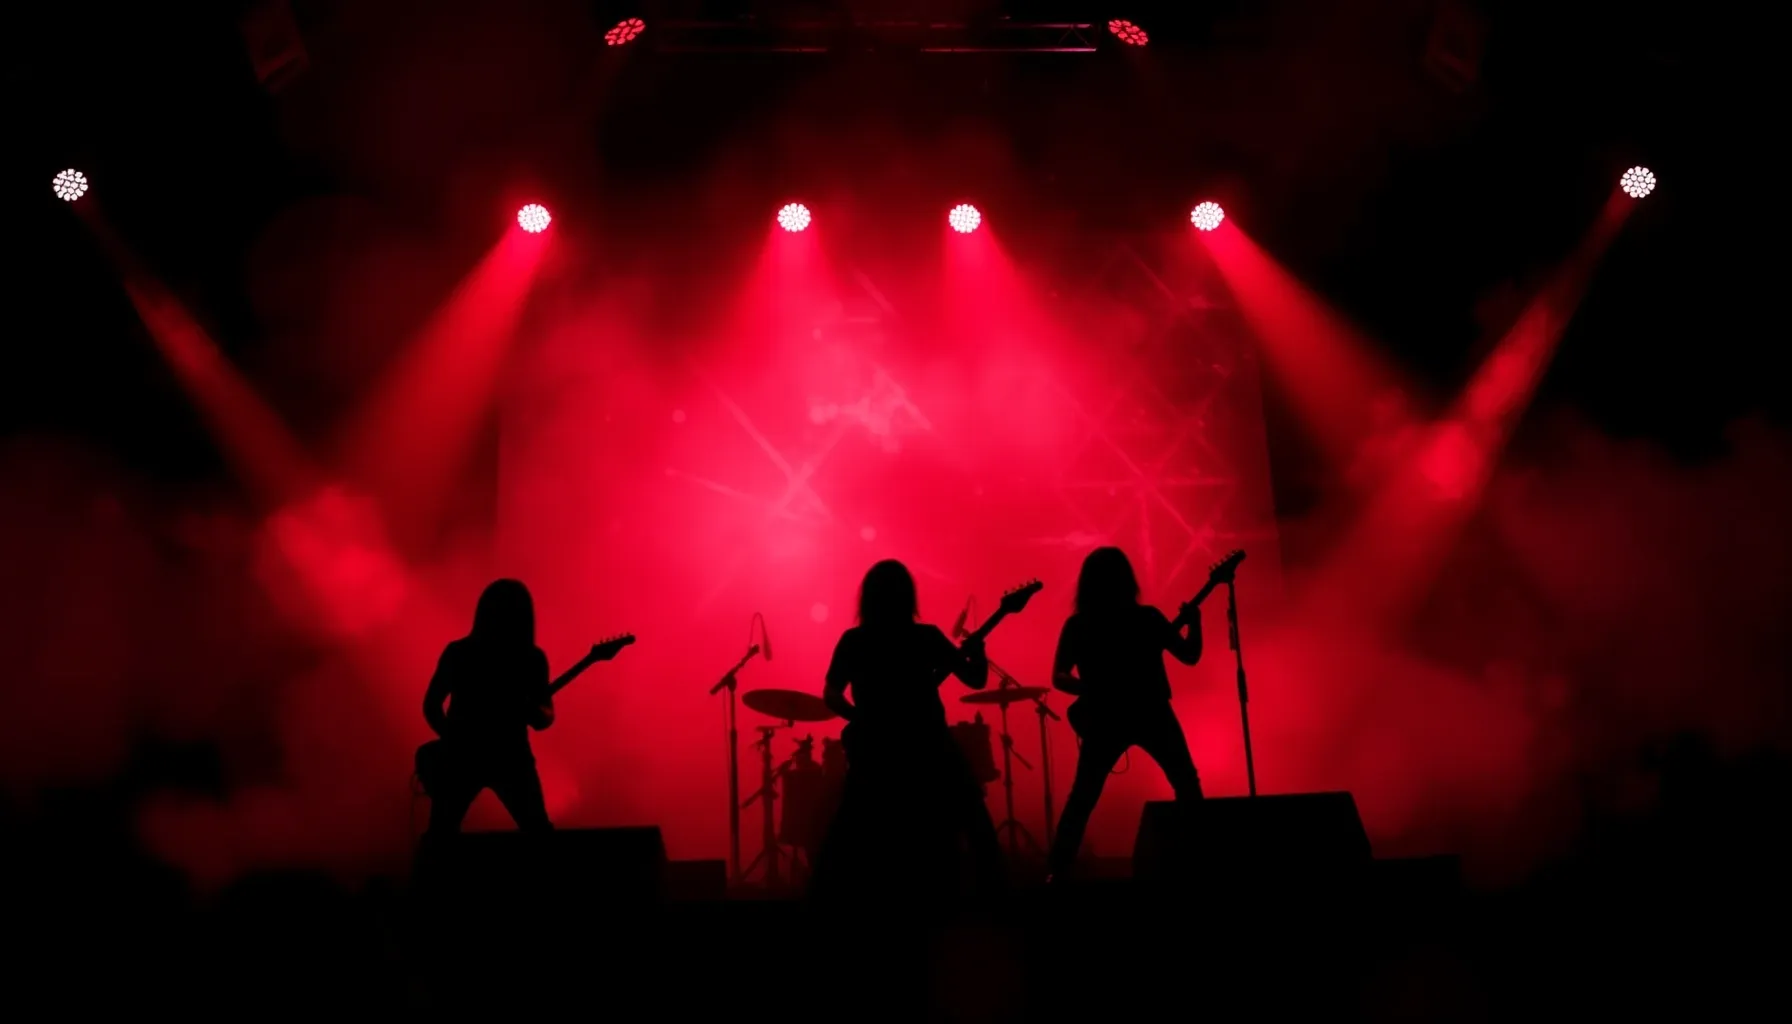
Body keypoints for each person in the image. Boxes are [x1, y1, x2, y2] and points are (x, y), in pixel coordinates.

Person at [812, 560, 1003, 904]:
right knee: (973, 815)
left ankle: (827, 899)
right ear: (908, 597)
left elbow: (831, 693)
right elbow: (975, 679)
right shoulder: (926, 637)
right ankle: (994, 894)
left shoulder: (855, 640)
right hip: (929, 744)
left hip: (876, 749)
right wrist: (979, 654)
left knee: (851, 823)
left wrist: (859, 718)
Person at [1047, 547, 1204, 880]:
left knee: (1083, 797)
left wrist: (1088, 689)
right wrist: (1195, 624)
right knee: (1186, 783)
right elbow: (1190, 655)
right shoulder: (1147, 619)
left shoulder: (1079, 625)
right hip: (1151, 711)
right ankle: (1199, 858)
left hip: (1108, 718)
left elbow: (1059, 676)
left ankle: (1056, 873)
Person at [420, 579, 556, 836]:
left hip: (508, 755)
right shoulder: (460, 653)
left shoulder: (531, 659)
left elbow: (545, 716)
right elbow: (431, 704)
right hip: (493, 756)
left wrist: (536, 712)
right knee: (537, 832)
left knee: (537, 829)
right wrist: (454, 740)